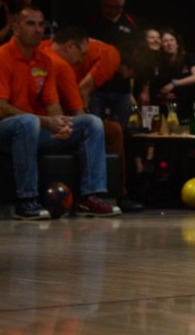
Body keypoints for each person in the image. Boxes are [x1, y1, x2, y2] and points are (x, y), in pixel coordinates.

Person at [0, 6, 122, 220]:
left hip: (29, 128)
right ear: (15, 28)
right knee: (28, 122)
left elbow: (52, 104)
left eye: (41, 24)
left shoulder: (44, 60)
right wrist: (47, 122)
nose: (38, 29)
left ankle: (90, 197)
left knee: (91, 123)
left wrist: (60, 125)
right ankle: (26, 200)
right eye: (31, 24)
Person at [42, 26, 143, 213]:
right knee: (110, 129)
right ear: (70, 46)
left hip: (34, 120)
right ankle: (112, 194)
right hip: (47, 125)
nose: (82, 60)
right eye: (133, 74)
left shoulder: (42, 50)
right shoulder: (108, 56)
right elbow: (81, 95)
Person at [85, 0, 141, 125]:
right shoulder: (91, 22)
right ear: (102, 2)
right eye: (109, 6)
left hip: (122, 87)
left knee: (120, 129)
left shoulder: (131, 23)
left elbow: (139, 53)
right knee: (95, 126)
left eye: (118, 7)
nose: (113, 11)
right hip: (96, 86)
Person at [156, 29, 195, 122]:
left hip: (190, 106)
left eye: (171, 40)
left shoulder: (188, 57)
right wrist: (164, 95)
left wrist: (174, 84)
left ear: (177, 44)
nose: (169, 43)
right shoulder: (161, 63)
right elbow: (158, 86)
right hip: (170, 108)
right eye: (165, 41)